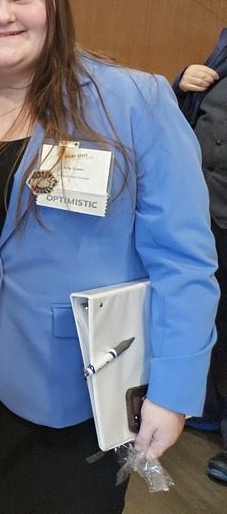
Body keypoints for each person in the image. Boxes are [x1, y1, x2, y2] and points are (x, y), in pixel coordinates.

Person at [0, 0, 220, 513]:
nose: (2, 16)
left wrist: (174, 390)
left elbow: (184, 260)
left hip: (83, 384)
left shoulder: (133, 102)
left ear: (55, 3)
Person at [173, 34, 227, 485]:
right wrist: (182, 83)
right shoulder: (223, 47)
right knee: (208, 313)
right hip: (202, 210)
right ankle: (206, 407)